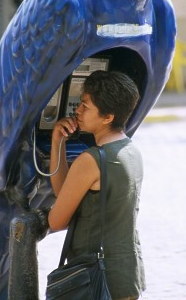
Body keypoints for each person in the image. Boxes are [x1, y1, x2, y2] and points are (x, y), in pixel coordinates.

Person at [48, 70, 146, 300]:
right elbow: (65, 194)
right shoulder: (131, 150)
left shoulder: (91, 160)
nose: (77, 110)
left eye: (85, 105)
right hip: (126, 273)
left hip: (95, 278)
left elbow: (57, 220)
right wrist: (57, 142)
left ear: (108, 117)